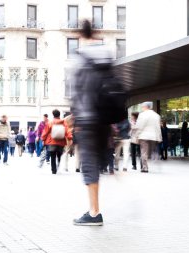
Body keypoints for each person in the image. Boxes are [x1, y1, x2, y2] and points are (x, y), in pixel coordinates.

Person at [72, 19, 118, 226]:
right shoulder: (106, 56)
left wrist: (77, 119)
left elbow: (77, 92)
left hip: (88, 119)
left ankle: (94, 212)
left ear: (80, 35)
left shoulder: (80, 59)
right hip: (104, 120)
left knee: (89, 164)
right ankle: (95, 208)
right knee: (98, 163)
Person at [42, 109, 72, 174]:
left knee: (52, 156)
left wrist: (43, 139)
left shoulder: (50, 123)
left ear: (53, 115)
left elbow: (45, 132)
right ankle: (58, 166)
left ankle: (53, 170)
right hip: (61, 142)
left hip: (51, 142)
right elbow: (67, 131)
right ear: (59, 115)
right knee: (59, 155)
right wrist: (70, 138)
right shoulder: (63, 122)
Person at [135, 101, 162, 173]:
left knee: (144, 152)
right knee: (149, 152)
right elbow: (158, 127)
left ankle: (145, 167)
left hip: (143, 136)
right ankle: (153, 158)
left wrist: (137, 135)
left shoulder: (142, 115)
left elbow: (139, 126)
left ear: (145, 107)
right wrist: (159, 137)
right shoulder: (156, 115)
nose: (142, 108)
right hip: (153, 137)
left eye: (142, 107)